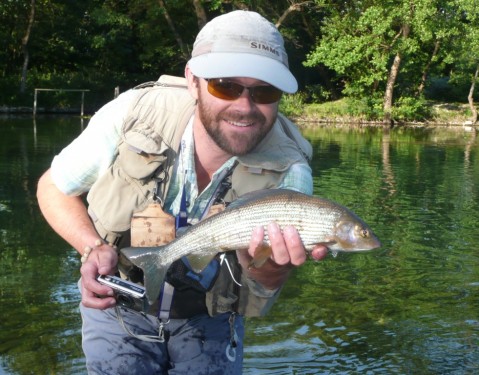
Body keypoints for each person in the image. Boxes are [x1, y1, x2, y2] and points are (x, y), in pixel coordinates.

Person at [37, 10, 327, 375]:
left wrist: (272, 267)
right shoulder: (133, 113)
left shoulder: (290, 171)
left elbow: (263, 284)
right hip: (117, 304)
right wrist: (92, 247)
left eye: (264, 91)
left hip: (212, 321)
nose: (244, 106)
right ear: (192, 80)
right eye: (225, 85)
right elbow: (54, 187)